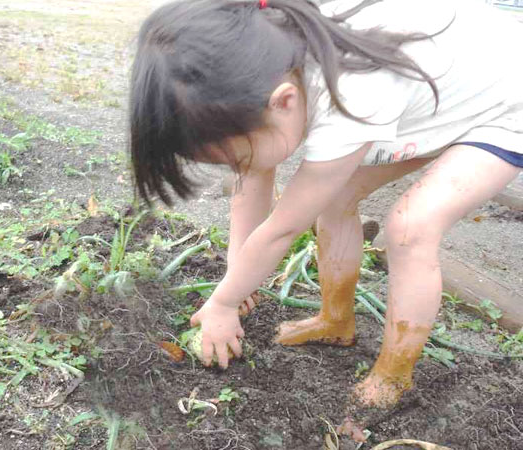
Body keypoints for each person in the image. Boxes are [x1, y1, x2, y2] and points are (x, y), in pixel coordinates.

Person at [129, 0, 523, 408]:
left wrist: (225, 302)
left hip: (504, 103)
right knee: (334, 198)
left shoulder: (354, 90)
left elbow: (282, 228)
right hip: (438, 90)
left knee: (410, 227)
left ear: (283, 103)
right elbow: (254, 181)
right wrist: (236, 277)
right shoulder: (263, 69)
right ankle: (336, 321)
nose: (239, 170)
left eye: (237, 158)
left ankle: (394, 375)